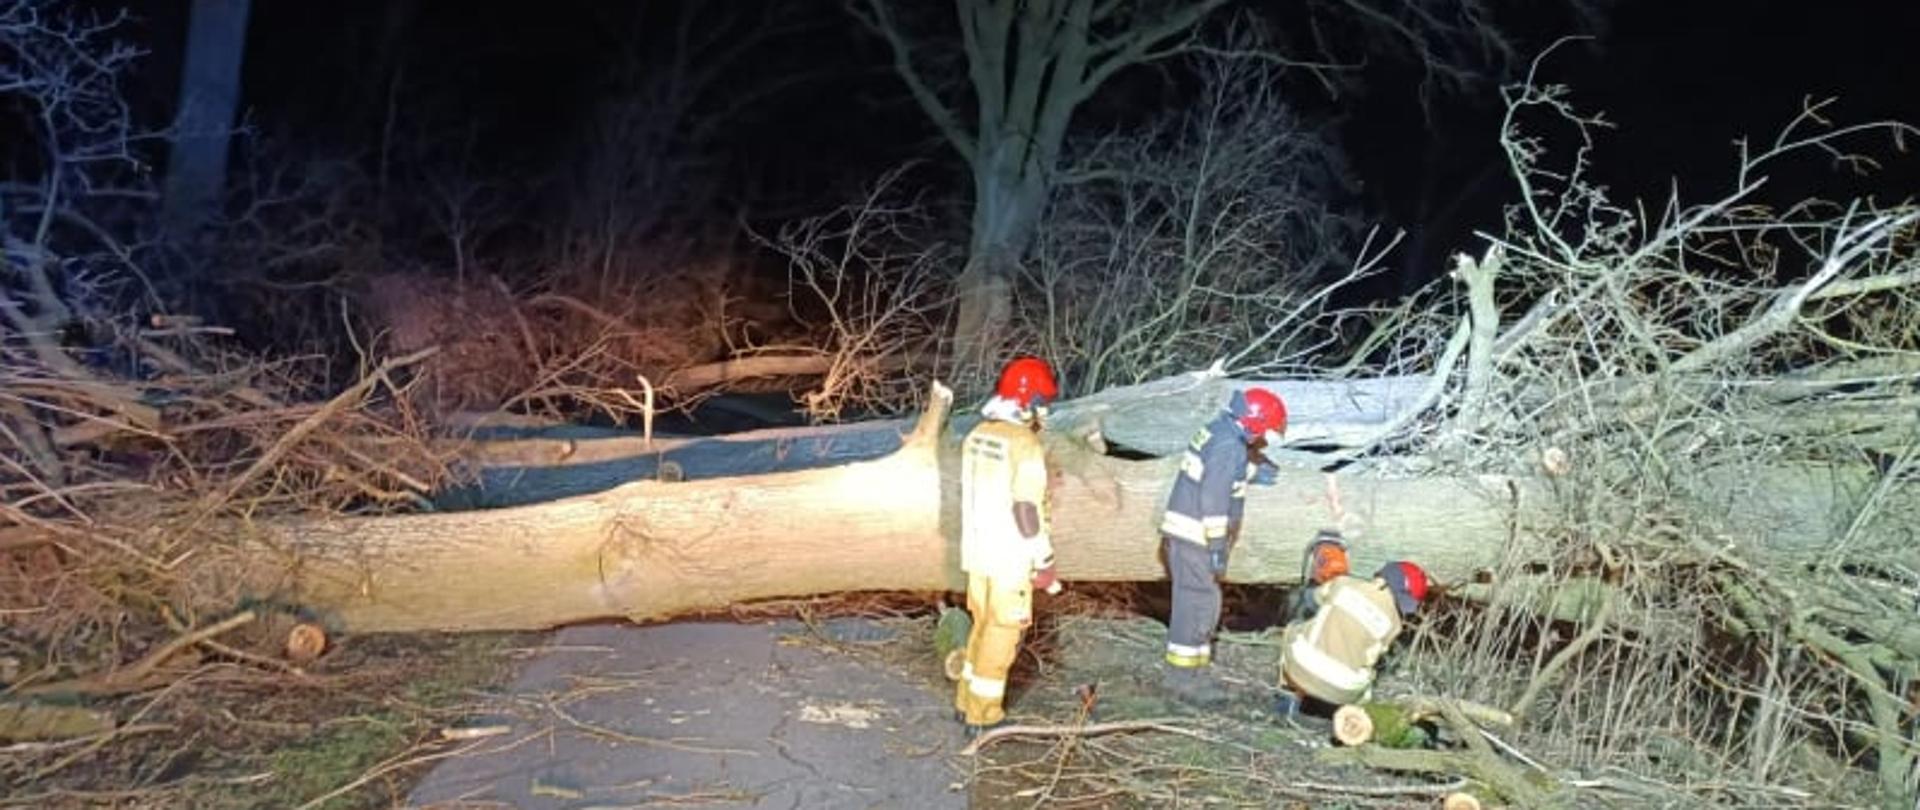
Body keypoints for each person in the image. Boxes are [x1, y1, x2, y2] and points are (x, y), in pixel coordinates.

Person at [1159, 387, 1287, 707]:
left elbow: (1218, 468)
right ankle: (1181, 679)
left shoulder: (1220, 430)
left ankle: (1195, 669)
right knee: (1197, 606)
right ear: (1254, 424)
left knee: (1205, 603)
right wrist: (1217, 544)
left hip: (1186, 536)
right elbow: (1213, 498)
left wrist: (1251, 471)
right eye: (1265, 432)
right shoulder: (1230, 446)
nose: (1264, 440)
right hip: (1196, 537)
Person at [955, 356, 1062, 737]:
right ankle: (983, 715)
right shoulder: (1024, 444)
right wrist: (1044, 560)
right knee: (1002, 636)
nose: (1043, 413)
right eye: (1041, 404)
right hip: (1009, 559)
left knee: (981, 627)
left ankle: (965, 701)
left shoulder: (978, 435)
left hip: (977, 553)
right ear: (1027, 402)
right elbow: (1025, 509)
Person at [1274, 559, 1431, 718]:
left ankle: (1286, 701)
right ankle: (1348, 715)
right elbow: (1372, 657)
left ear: (1382, 576)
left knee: (1292, 630)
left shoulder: (1343, 584)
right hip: (1343, 690)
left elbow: (1311, 600)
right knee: (1368, 675)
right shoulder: (1394, 625)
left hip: (1304, 668)